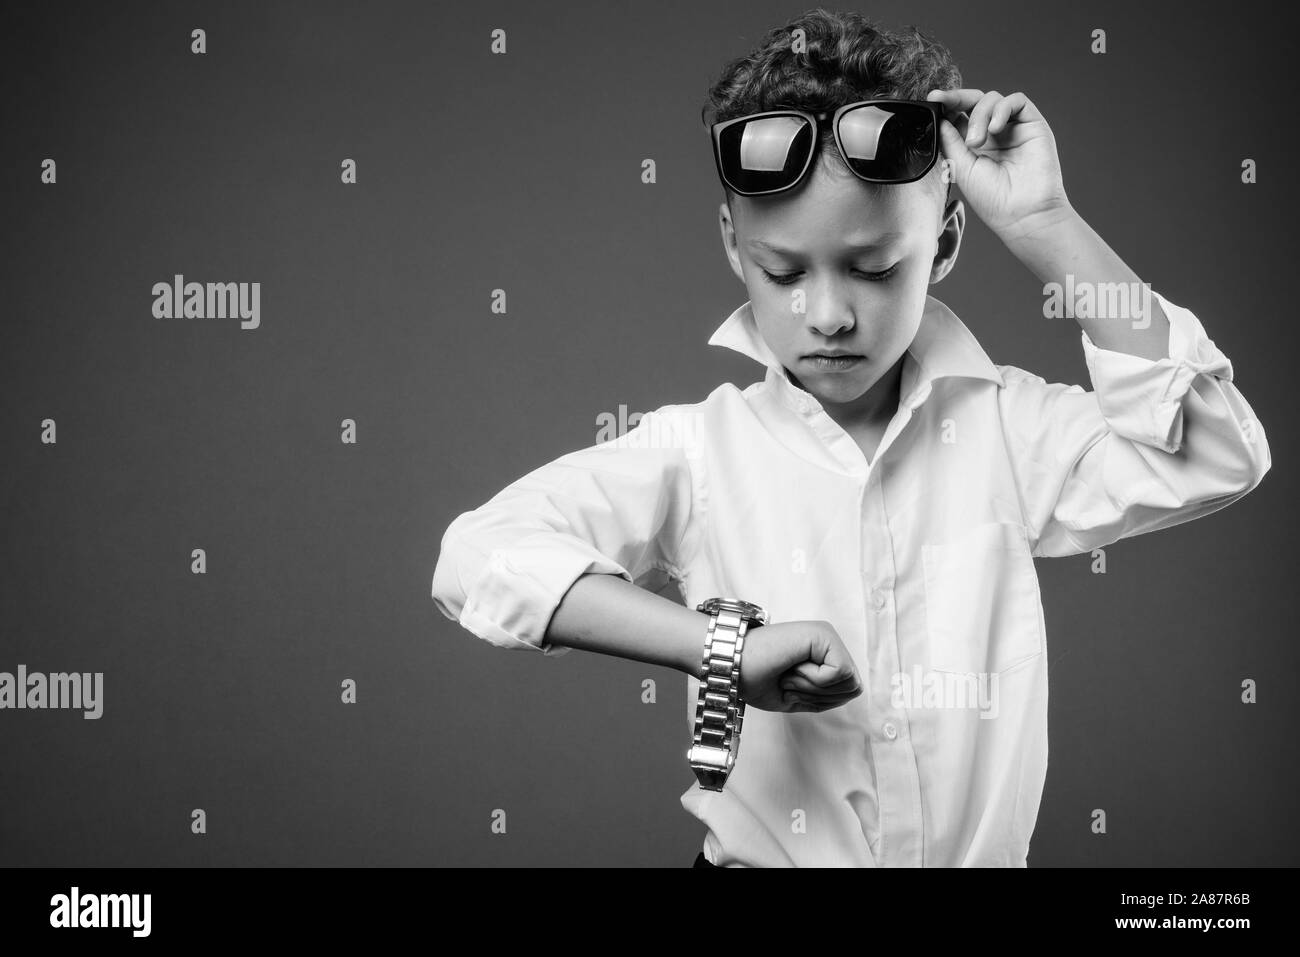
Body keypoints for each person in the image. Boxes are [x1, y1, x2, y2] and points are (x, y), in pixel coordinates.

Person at [430, 9, 1271, 866]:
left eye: (874, 269)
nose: (827, 315)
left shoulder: (1008, 432)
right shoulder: (699, 449)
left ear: (943, 242)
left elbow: (1215, 450)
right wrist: (723, 653)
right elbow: (475, 556)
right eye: (783, 271)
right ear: (733, 245)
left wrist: (1045, 224)